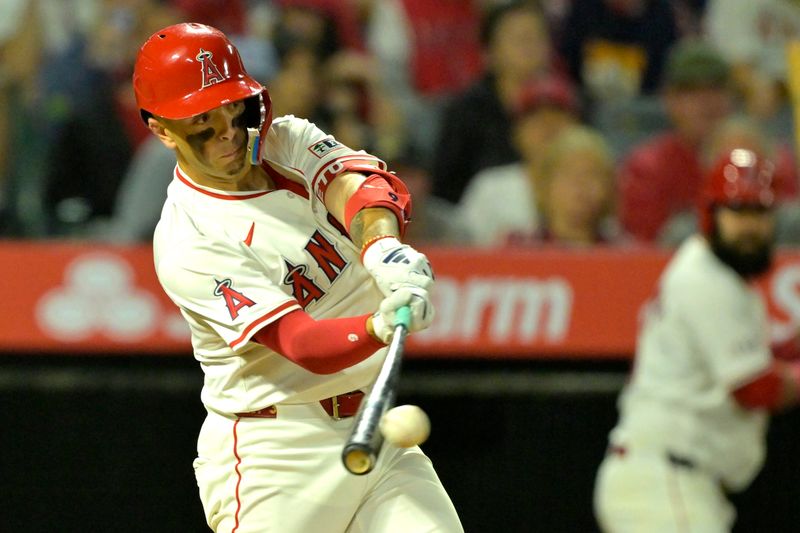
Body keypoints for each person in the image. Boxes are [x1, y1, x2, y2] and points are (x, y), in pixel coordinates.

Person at [132, 23, 462, 533]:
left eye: (232, 106)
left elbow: (363, 187)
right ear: (162, 130)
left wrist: (382, 248)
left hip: (373, 426)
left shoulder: (285, 139)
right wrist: (377, 326)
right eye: (202, 119)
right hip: (276, 452)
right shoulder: (188, 239)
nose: (226, 129)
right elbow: (299, 341)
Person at [594, 148, 800, 532]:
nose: (751, 227)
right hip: (664, 479)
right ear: (710, 214)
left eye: (760, 213)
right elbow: (755, 389)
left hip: (670, 482)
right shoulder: (705, 278)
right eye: (738, 212)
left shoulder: (723, 277)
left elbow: (759, 360)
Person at [458, 75, 581, 246]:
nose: (548, 128)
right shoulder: (490, 188)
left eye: (557, 118)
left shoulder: (591, 184)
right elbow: (464, 253)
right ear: (516, 134)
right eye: (536, 120)